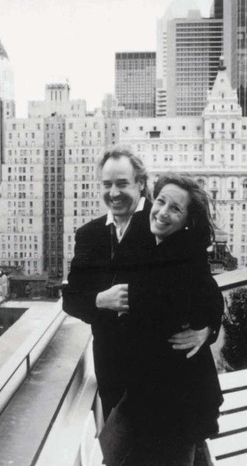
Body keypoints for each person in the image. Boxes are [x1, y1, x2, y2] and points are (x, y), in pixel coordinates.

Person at [100, 174, 224, 466]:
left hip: (179, 400)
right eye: (161, 201)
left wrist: (206, 330)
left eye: (175, 209)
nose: (163, 212)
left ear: (187, 221)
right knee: (107, 462)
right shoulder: (148, 240)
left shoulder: (187, 256)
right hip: (147, 391)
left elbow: (202, 302)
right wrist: (208, 329)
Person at [62, 147, 155, 419]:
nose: (113, 193)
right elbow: (71, 299)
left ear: (140, 183)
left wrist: (206, 328)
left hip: (163, 373)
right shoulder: (89, 235)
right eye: (107, 184)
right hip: (113, 377)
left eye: (122, 183)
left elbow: (201, 287)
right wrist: (101, 300)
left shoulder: (163, 223)